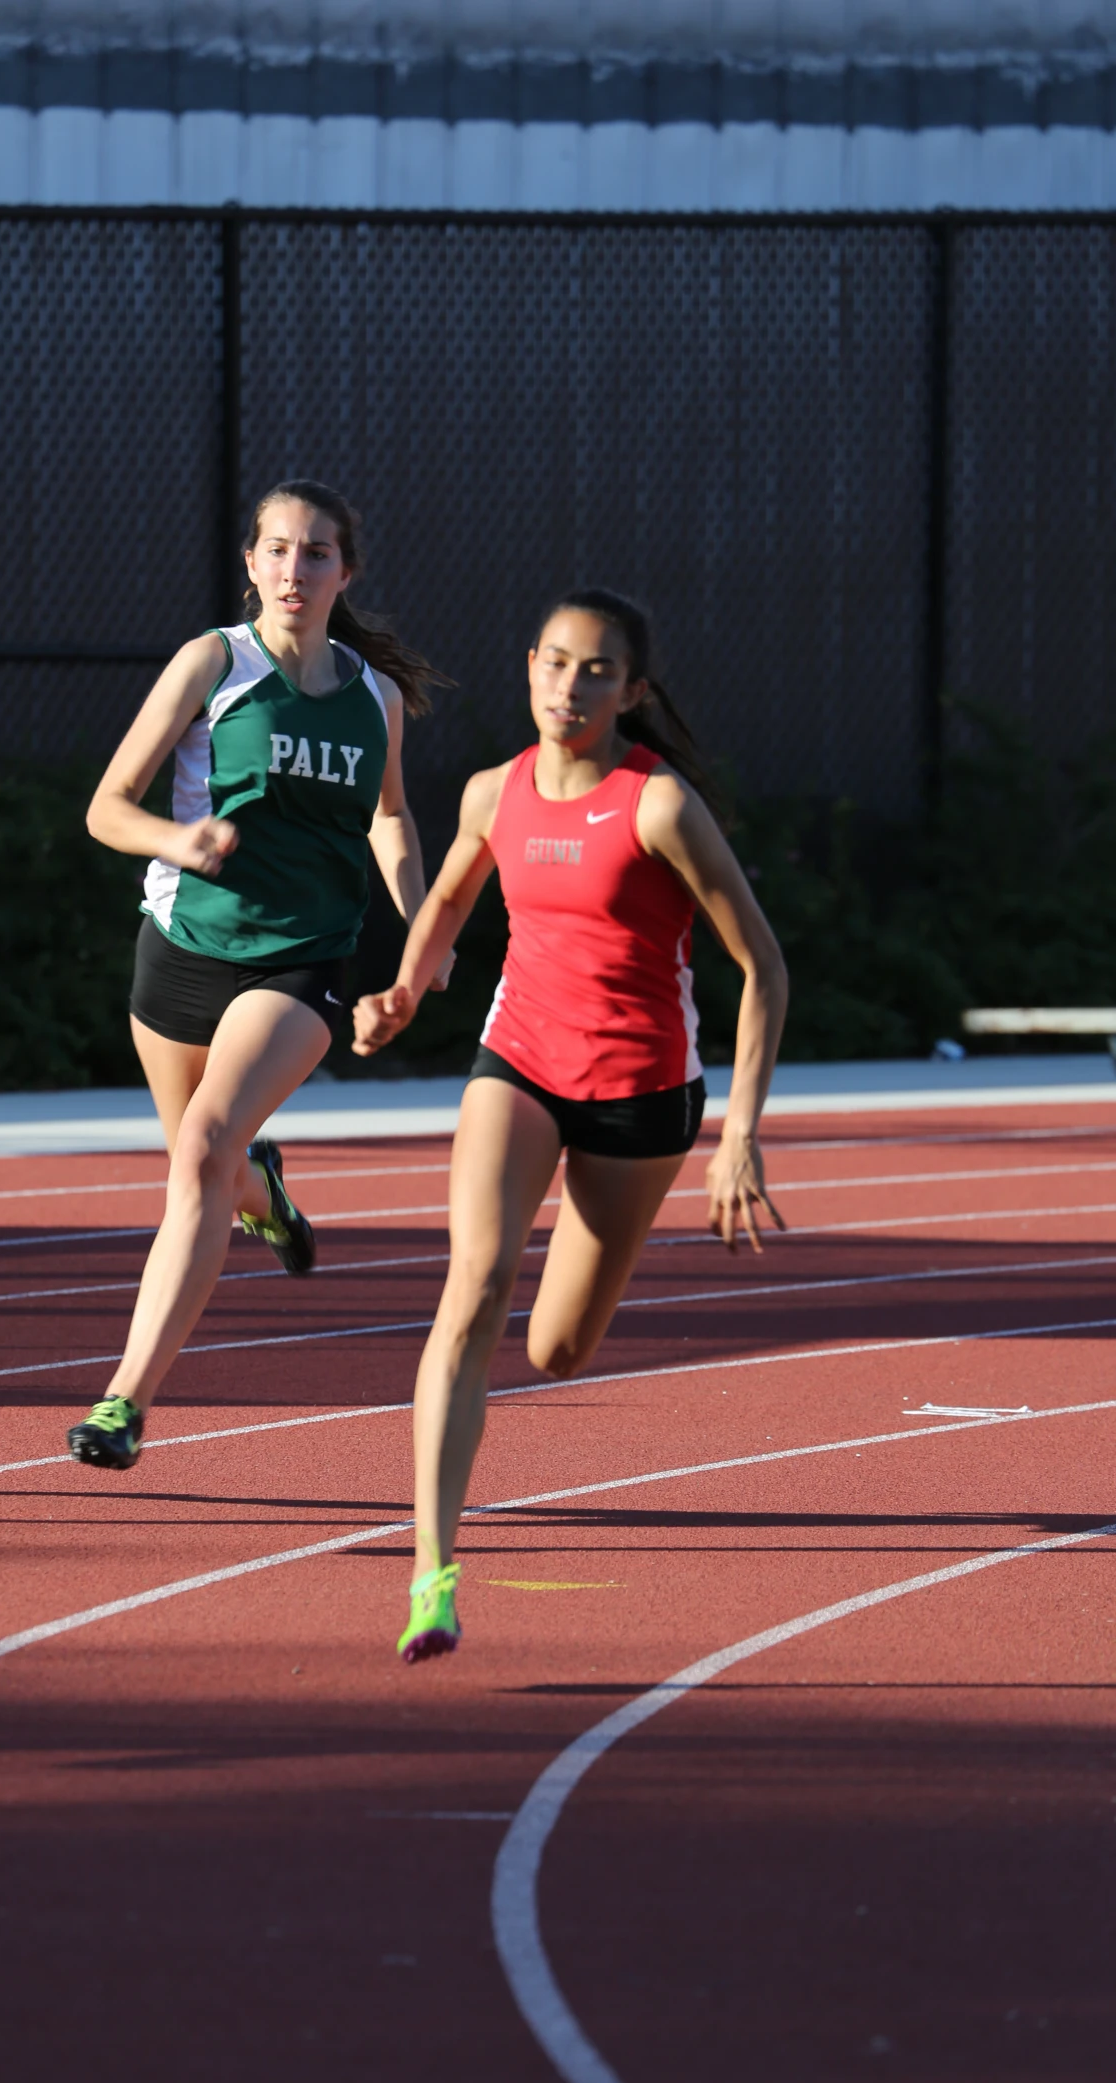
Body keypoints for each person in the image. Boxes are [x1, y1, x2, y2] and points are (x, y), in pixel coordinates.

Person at [352, 588, 788, 1662]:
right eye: (553, 663)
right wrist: (405, 991)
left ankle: (564, 1324)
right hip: (521, 1061)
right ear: (529, 668)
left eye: (596, 670)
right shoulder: (493, 791)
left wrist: (738, 1130)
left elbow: (763, 966)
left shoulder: (659, 808)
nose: (568, 686)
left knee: (554, 1348)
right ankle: (431, 1573)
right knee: (476, 1284)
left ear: (632, 690)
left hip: (642, 1090)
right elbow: (450, 899)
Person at [66, 480, 450, 1469]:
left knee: (199, 1148)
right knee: (212, 1168)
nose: (294, 568)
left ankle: (123, 1402)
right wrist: (177, 839)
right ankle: (268, 1201)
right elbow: (107, 809)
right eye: (276, 549)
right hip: (183, 949)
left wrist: (420, 918)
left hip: (304, 958)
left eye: (315, 552)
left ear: (344, 572)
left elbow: (391, 815)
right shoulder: (213, 662)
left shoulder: (374, 696)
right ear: (251, 564)